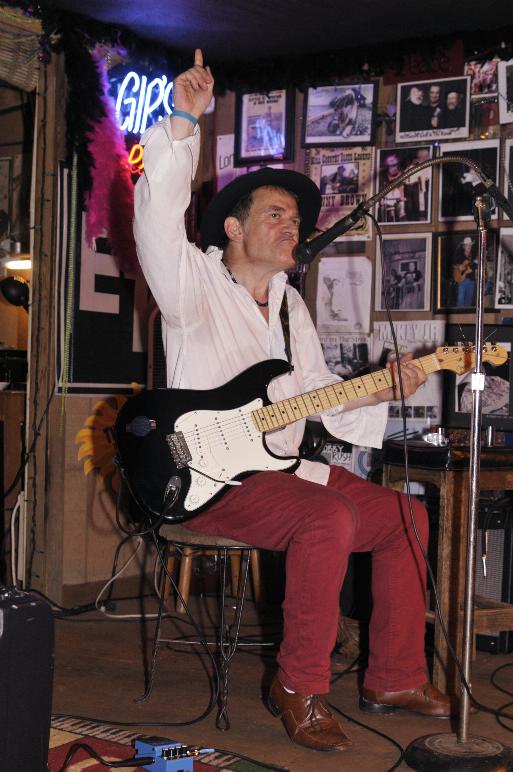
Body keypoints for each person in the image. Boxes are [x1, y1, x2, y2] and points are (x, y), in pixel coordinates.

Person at [134, 49, 457, 754]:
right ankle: (299, 687)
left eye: (296, 219)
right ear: (232, 227)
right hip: (209, 480)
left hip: (280, 472)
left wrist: (384, 386)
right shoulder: (190, 284)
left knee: (405, 517)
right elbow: (156, 215)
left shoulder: (289, 308)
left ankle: (394, 676)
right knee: (327, 517)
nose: (293, 226)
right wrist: (184, 122)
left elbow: (315, 398)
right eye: (276, 214)